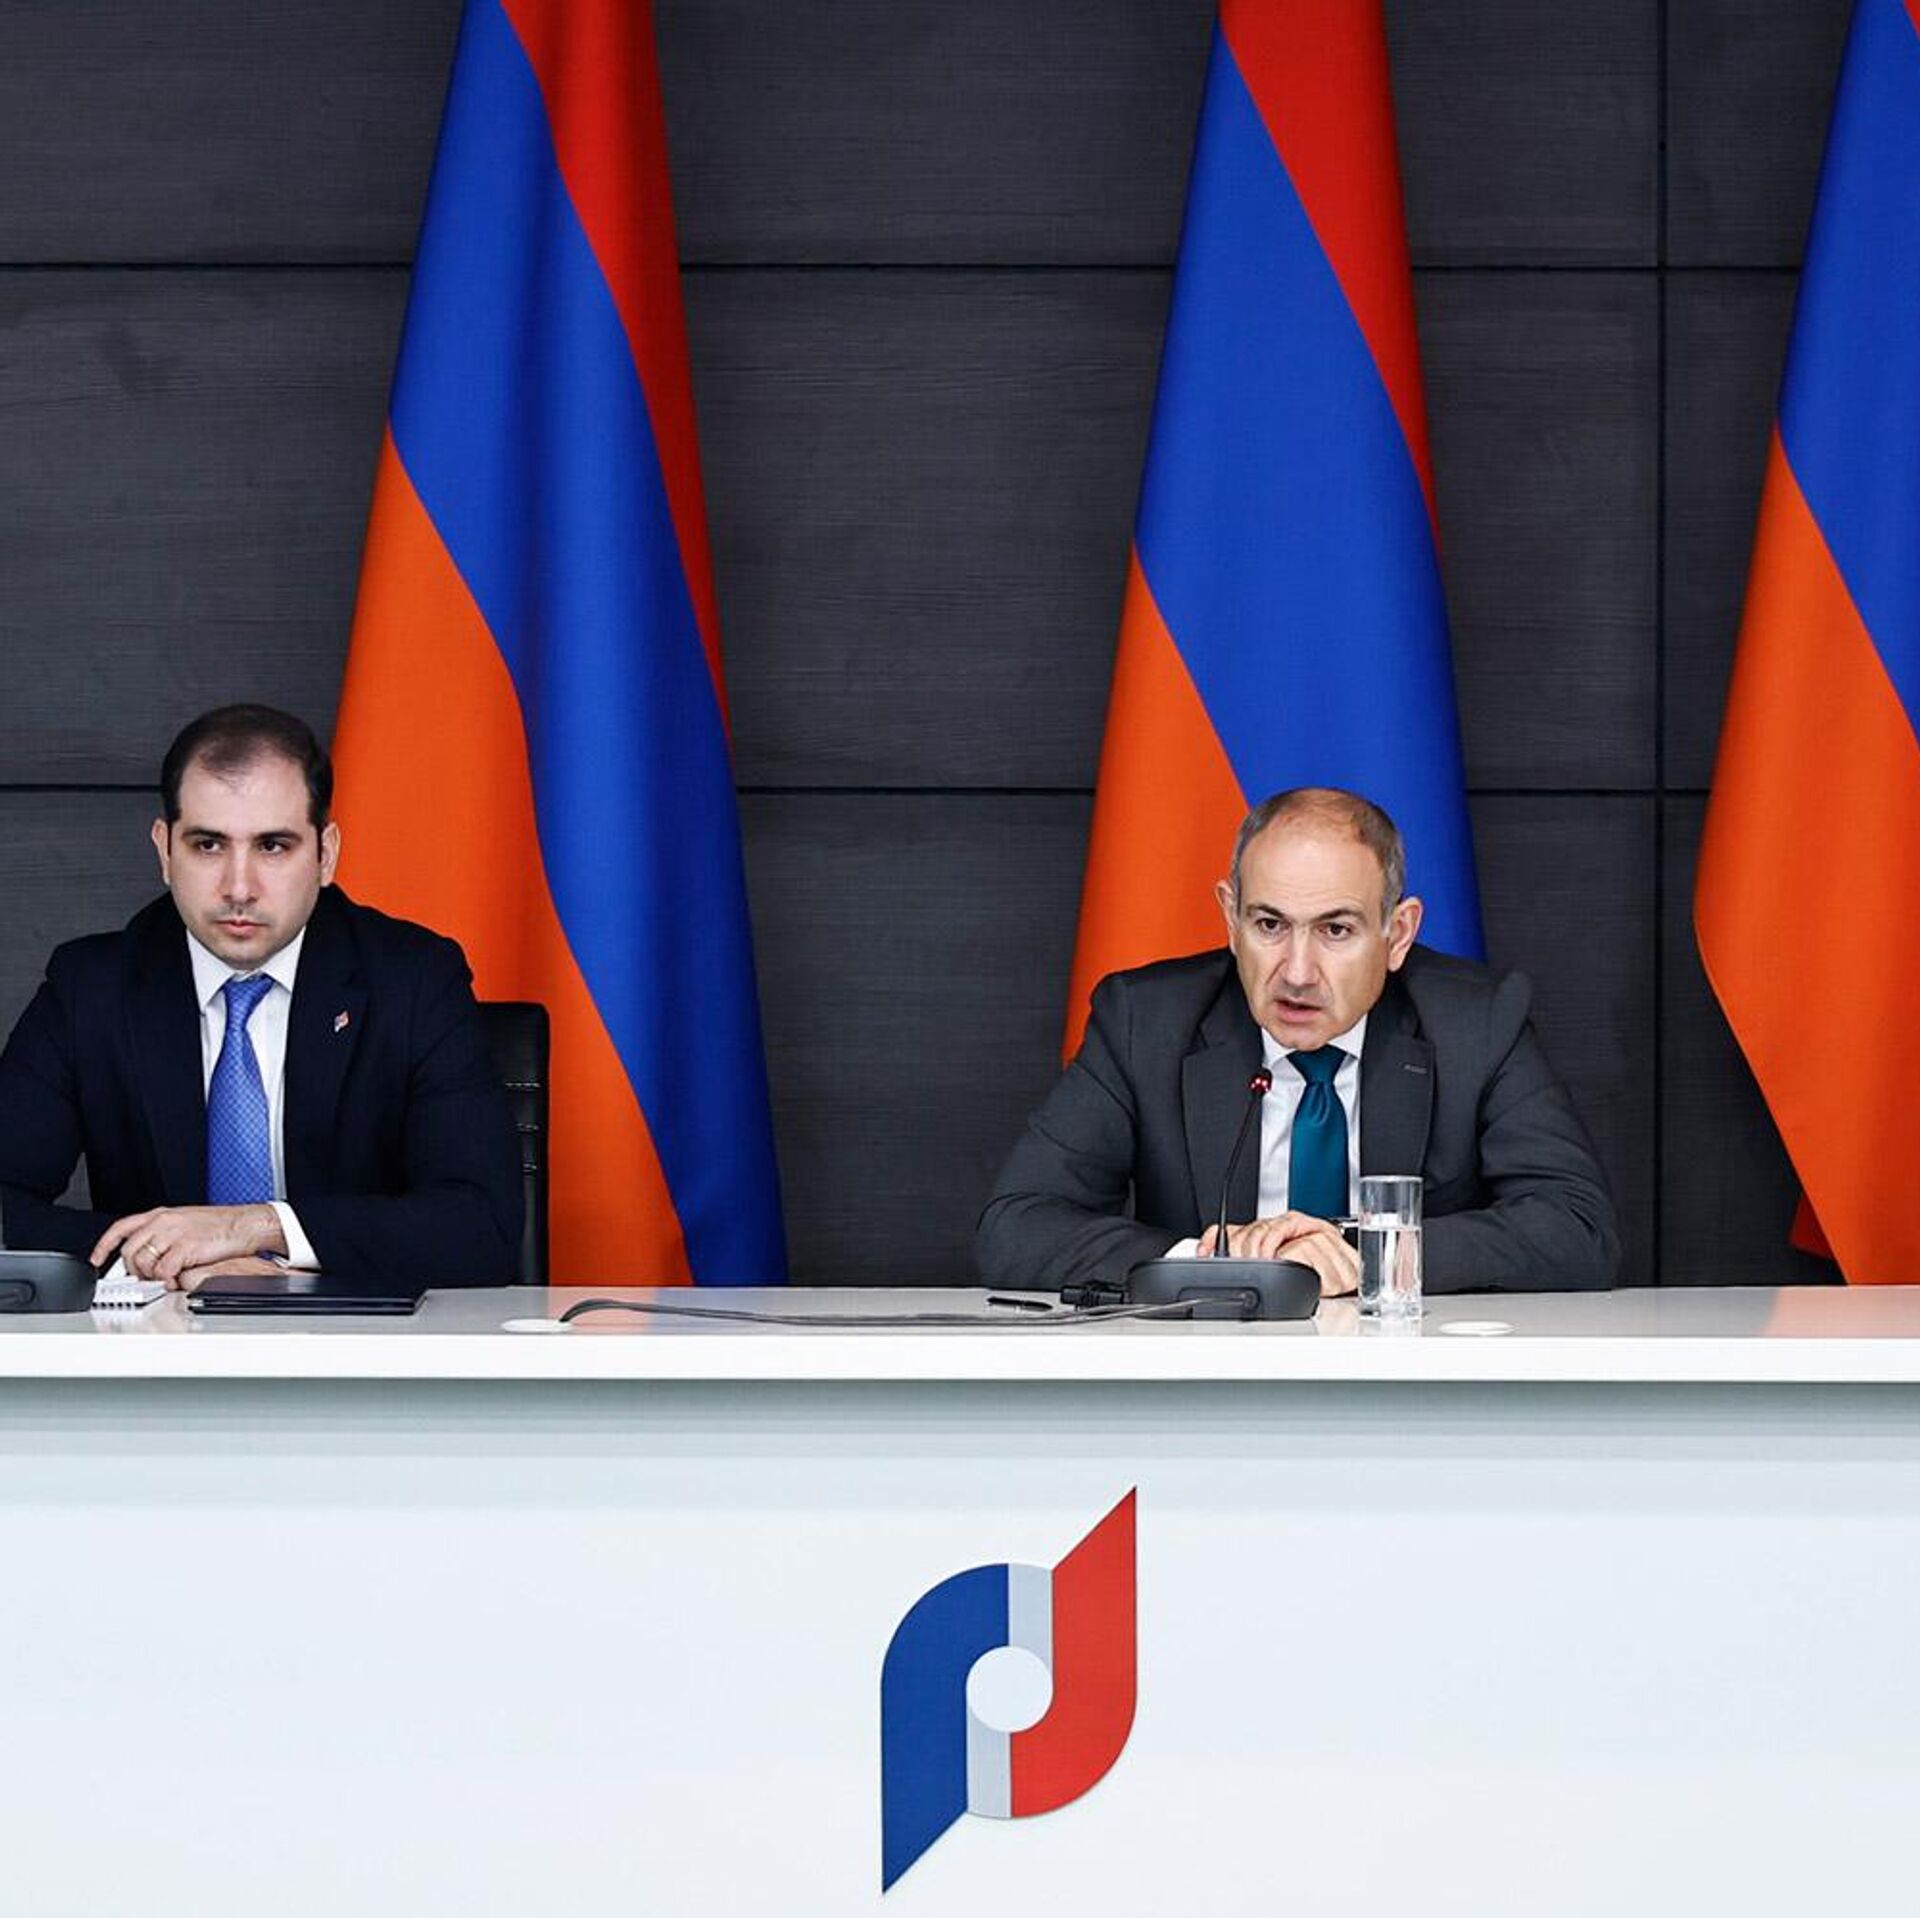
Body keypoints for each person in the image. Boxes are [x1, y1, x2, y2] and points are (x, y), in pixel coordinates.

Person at [977, 788, 1620, 1296]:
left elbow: (1577, 1227)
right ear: (1230, 919)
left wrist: (1362, 1254)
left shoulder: (1476, 1023)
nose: (1297, 972)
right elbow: (1017, 1225)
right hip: (1205, 1380)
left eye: (1336, 930)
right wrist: (1213, 1259)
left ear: (1397, 934)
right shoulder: (1144, 1020)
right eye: (1269, 925)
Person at [0, 705, 522, 1291]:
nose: (239, 888)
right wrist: (167, 1259)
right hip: (161, 1339)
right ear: (165, 852)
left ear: (325, 854)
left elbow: (484, 1227)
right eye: (208, 845)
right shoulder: (90, 988)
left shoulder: (414, 980)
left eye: (273, 846)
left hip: (362, 1340)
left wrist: (256, 1228)